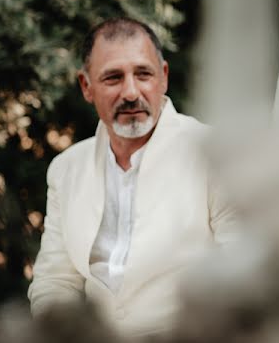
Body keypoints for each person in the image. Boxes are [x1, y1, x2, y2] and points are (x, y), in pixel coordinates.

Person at [28, 18, 239, 337]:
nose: (130, 92)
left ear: (164, 77)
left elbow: (241, 272)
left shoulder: (213, 153)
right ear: (86, 86)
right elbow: (55, 282)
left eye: (143, 74)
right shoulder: (66, 168)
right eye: (113, 78)